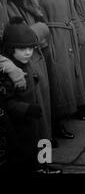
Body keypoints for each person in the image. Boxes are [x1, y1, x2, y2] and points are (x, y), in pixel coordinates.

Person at [29, 0, 85, 139]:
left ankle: (61, 120)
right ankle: (54, 126)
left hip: (66, 36)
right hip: (52, 39)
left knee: (66, 79)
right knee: (56, 81)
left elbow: (71, 10)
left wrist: (78, 33)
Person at [3, 0, 53, 146]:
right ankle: (41, 163)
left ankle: (44, 159)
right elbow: (14, 33)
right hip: (22, 63)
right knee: (33, 125)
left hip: (32, 58)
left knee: (41, 119)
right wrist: (40, 30)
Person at [0, 17, 61, 173]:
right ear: (11, 49)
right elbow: (7, 102)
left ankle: (44, 165)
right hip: (22, 123)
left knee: (44, 138)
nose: (28, 52)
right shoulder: (9, 73)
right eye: (22, 49)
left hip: (36, 115)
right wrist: (26, 109)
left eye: (31, 48)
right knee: (26, 150)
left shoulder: (28, 64)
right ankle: (35, 168)